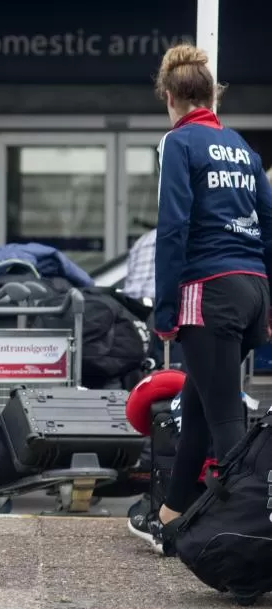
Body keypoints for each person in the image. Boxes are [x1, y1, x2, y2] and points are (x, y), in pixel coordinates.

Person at [136, 44, 272, 550]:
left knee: (225, 423)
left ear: (171, 97)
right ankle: (171, 518)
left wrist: (165, 308)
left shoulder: (179, 143)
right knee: (196, 405)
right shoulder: (243, 147)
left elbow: (173, 227)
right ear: (212, 95)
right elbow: (270, 226)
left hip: (208, 293)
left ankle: (247, 538)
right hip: (252, 289)